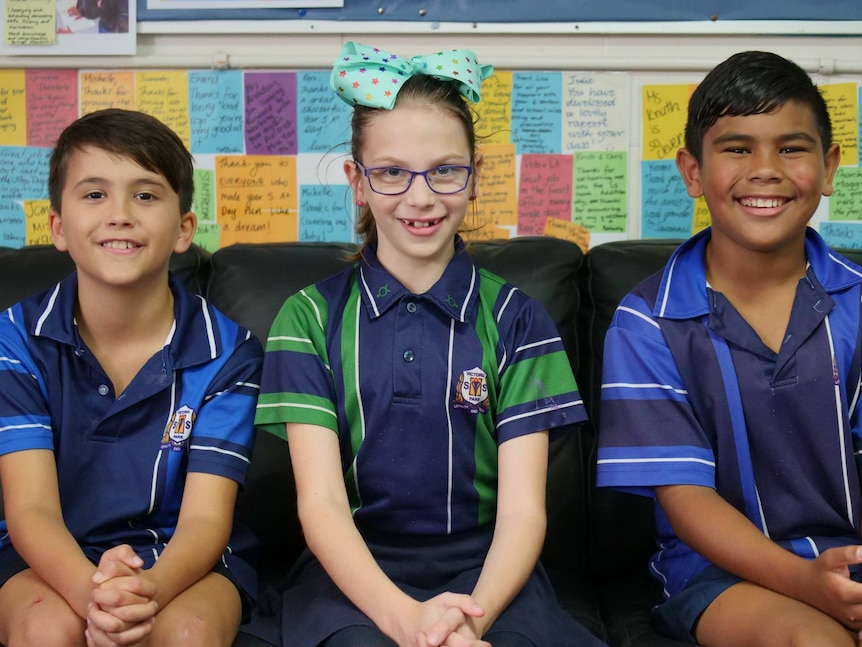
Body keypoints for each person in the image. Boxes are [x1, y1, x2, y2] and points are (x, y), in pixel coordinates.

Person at [254, 41, 605, 647]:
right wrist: (406, 621)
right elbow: (322, 510)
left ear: (474, 178)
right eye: (391, 172)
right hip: (351, 574)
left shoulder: (520, 319)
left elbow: (523, 514)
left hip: (491, 573)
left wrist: (470, 621)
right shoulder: (306, 318)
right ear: (357, 182)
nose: (421, 197)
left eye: (445, 170)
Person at [595, 50, 862, 646]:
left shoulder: (857, 301)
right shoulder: (647, 322)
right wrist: (805, 581)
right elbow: (686, 500)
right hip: (718, 576)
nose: (765, 169)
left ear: (830, 165)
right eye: (737, 149)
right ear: (692, 171)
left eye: (791, 148)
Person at [0, 108, 262, 646]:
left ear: (185, 228)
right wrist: (94, 597)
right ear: (57, 227)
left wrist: (144, 596)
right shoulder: (14, 340)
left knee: (184, 635)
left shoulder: (230, 353)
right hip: (48, 556)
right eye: (94, 194)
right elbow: (30, 509)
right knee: (47, 630)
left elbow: (205, 523)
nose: (120, 214)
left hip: (184, 562)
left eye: (145, 195)